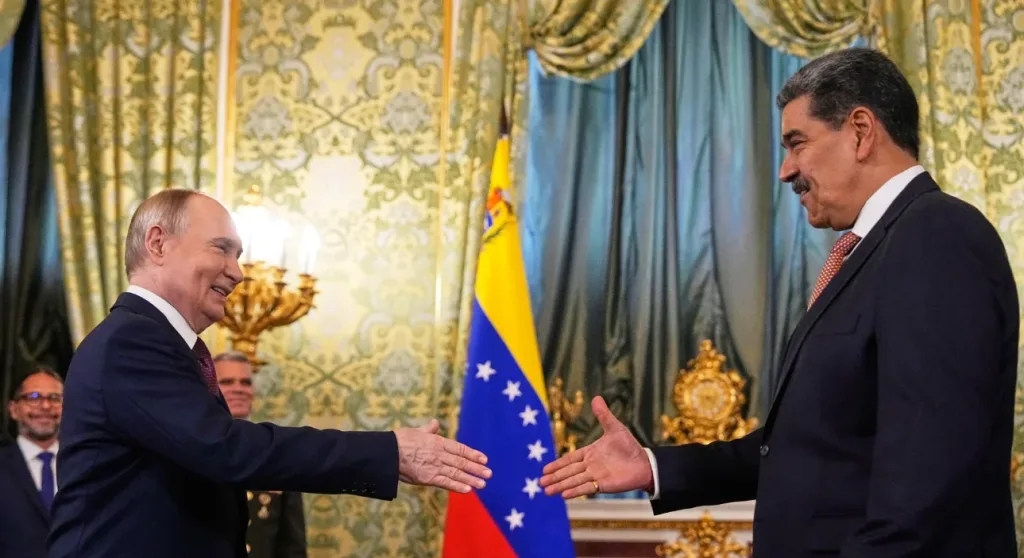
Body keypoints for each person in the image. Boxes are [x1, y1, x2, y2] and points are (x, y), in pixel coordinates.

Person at [540, 47, 1019, 557]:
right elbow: (814, 447)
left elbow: (927, 482)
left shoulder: (935, 235)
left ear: (860, 131)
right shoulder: (880, 247)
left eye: (797, 143)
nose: (785, 171)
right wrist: (654, 468)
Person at [49, 189, 492, 558]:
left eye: (238, 255)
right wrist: (388, 451)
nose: (238, 272)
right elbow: (226, 449)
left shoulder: (159, 342)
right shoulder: (132, 341)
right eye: (220, 248)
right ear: (158, 243)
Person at [213, 350, 307, 558]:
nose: (238, 389)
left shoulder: (275, 452)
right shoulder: (187, 449)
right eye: (227, 382)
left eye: (245, 382)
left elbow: (291, 544)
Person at [0, 368, 64, 558]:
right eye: (33, 397)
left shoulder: (88, 465)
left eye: (55, 398)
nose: (45, 406)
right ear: (13, 409)